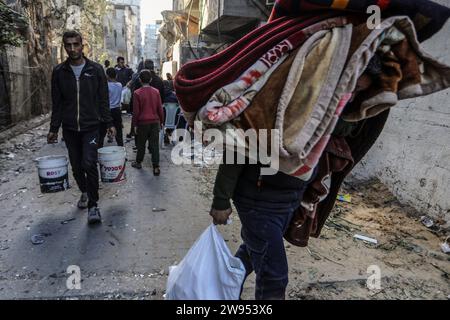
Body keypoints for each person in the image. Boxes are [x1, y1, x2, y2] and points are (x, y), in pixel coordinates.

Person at [210, 154, 316, 300]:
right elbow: (237, 147)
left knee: (252, 251)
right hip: (259, 200)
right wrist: (221, 199)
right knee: (274, 277)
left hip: (287, 201)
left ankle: (218, 292)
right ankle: (219, 291)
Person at [47, 30, 115, 225]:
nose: (72, 49)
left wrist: (109, 122)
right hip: (69, 129)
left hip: (92, 127)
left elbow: (103, 99)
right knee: (76, 166)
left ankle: (93, 205)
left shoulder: (95, 69)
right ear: (64, 46)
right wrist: (54, 128)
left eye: (76, 44)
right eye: (68, 45)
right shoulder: (59, 72)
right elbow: (57, 103)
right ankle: (84, 191)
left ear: (82, 45)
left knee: (89, 163)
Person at [131, 70, 164, 176]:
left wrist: (134, 125)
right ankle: (156, 167)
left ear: (140, 80)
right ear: (150, 79)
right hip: (155, 122)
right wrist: (162, 121)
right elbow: (160, 108)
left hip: (142, 123)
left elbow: (136, 112)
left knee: (141, 144)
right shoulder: (156, 92)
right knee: (154, 145)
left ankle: (138, 162)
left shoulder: (137, 93)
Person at [99, 67, 124, 148]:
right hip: (117, 110)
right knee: (118, 131)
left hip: (107, 111)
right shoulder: (120, 85)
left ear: (107, 76)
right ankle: (121, 148)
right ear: (116, 75)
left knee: (102, 132)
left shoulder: (106, 86)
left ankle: (100, 148)